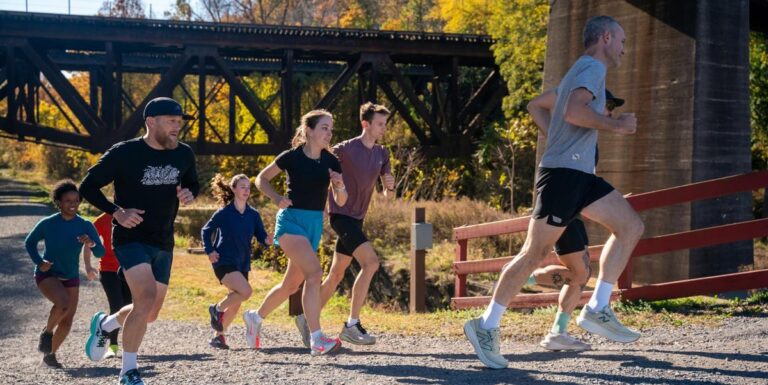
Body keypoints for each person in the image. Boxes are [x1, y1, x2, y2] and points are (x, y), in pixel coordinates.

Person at [464, 15, 644, 369]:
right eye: (622, 39)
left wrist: (557, 140)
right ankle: (485, 326)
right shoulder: (591, 67)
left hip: (578, 174)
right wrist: (616, 125)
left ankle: (597, 307)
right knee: (534, 253)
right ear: (605, 37)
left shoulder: (582, 70)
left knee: (631, 226)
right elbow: (576, 112)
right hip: (563, 175)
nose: (625, 47)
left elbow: (558, 111)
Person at [79, 97, 199, 385]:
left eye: (179, 122)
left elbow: (193, 182)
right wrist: (116, 212)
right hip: (130, 238)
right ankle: (129, 371)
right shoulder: (125, 153)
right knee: (143, 299)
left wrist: (190, 193)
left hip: (164, 240)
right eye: (171, 121)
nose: (176, 127)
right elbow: (88, 186)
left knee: (150, 312)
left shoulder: (183, 154)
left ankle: (106, 324)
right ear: (151, 121)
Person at [526, 90, 626, 351]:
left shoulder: (588, 141)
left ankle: (554, 326)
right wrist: (552, 133)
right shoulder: (572, 132)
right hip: (563, 207)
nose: (611, 112)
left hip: (574, 211)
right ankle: (523, 278)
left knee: (581, 273)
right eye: (608, 106)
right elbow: (535, 104)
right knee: (579, 272)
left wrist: (609, 202)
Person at [242, 109, 347, 356]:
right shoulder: (292, 156)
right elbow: (261, 179)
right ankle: (317, 338)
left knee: (290, 285)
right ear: (309, 130)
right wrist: (277, 198)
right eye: (324, 128)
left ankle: (255, 317)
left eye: (331, 129)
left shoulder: (332, 162)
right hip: (290, 223)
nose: (329, 133)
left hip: (313, 227)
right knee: (315, 274)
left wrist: (339, 185)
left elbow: (341, 201)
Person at [293, 102, 395, 347]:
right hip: (341, 215)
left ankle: (307, 319)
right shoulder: (346, 149)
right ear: (365, 124)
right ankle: (352, 324)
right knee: (371, 263)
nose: (383, 128)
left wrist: (389, 186)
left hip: (358, 219)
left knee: (336, 274)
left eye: (385, 124)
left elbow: (387, 197)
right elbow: (317, 153)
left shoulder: (382, 154)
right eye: (379, 124)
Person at [25, 179, 104, 369]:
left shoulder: (85, 225)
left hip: (70, 275)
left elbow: (100, 252)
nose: (73, 204)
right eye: (68, 200)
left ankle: (49, 355)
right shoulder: (48, 223)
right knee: (63, 304)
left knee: (67, 321)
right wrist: (40, 262)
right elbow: (30, 242)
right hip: (48, 273)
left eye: (76, 200)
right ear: (59, 202)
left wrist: (91, 243)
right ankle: (47, 332)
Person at [201, 173, 271, 349]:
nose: (246, 190)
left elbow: (261, 236)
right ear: (233, 189)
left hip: (242, 263)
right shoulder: (224, 213)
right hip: (223, 260)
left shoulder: (253, 214)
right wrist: (210, 251)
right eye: (242, 187)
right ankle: (216, 309)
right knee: (245, 291)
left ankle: (219, 336)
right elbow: (205, 231)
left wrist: (267, 240)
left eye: (248, 187)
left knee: (238, 299)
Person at [92, 212, 133, 359]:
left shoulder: (133, 215)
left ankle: (129, 348)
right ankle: (113, 346)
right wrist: (87, 263)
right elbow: (88, 238)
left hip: (130, 268)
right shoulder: (103, 219)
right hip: (108, 269)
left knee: (130, 308)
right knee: (117, 306)